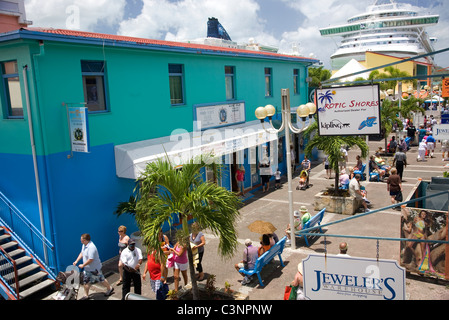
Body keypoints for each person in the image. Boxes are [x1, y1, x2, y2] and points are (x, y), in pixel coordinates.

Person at [73, 233, 114, 300]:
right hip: (87, 269)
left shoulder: (92, 247)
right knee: (86, 281)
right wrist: (76, 261)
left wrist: (83, 265)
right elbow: (82, 253)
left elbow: (91, 259)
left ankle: (110, 288)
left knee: (101, 280)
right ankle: (86, 295)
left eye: (81, 240)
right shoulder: (84, 245)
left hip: (95, 269)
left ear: (86, 240)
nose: (80, 241)